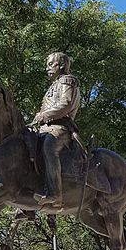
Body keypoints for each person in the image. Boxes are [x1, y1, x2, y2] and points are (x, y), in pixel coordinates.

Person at [31, 52, 80, 208]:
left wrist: (43, 115)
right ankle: (27, 205)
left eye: (50, 64)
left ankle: (55, 194)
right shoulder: (54, 85)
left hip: (61, 128)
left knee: (49, 146)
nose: (47, 68)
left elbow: (65, 104)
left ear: (62, 65)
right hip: (45, 128)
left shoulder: (67, 80)